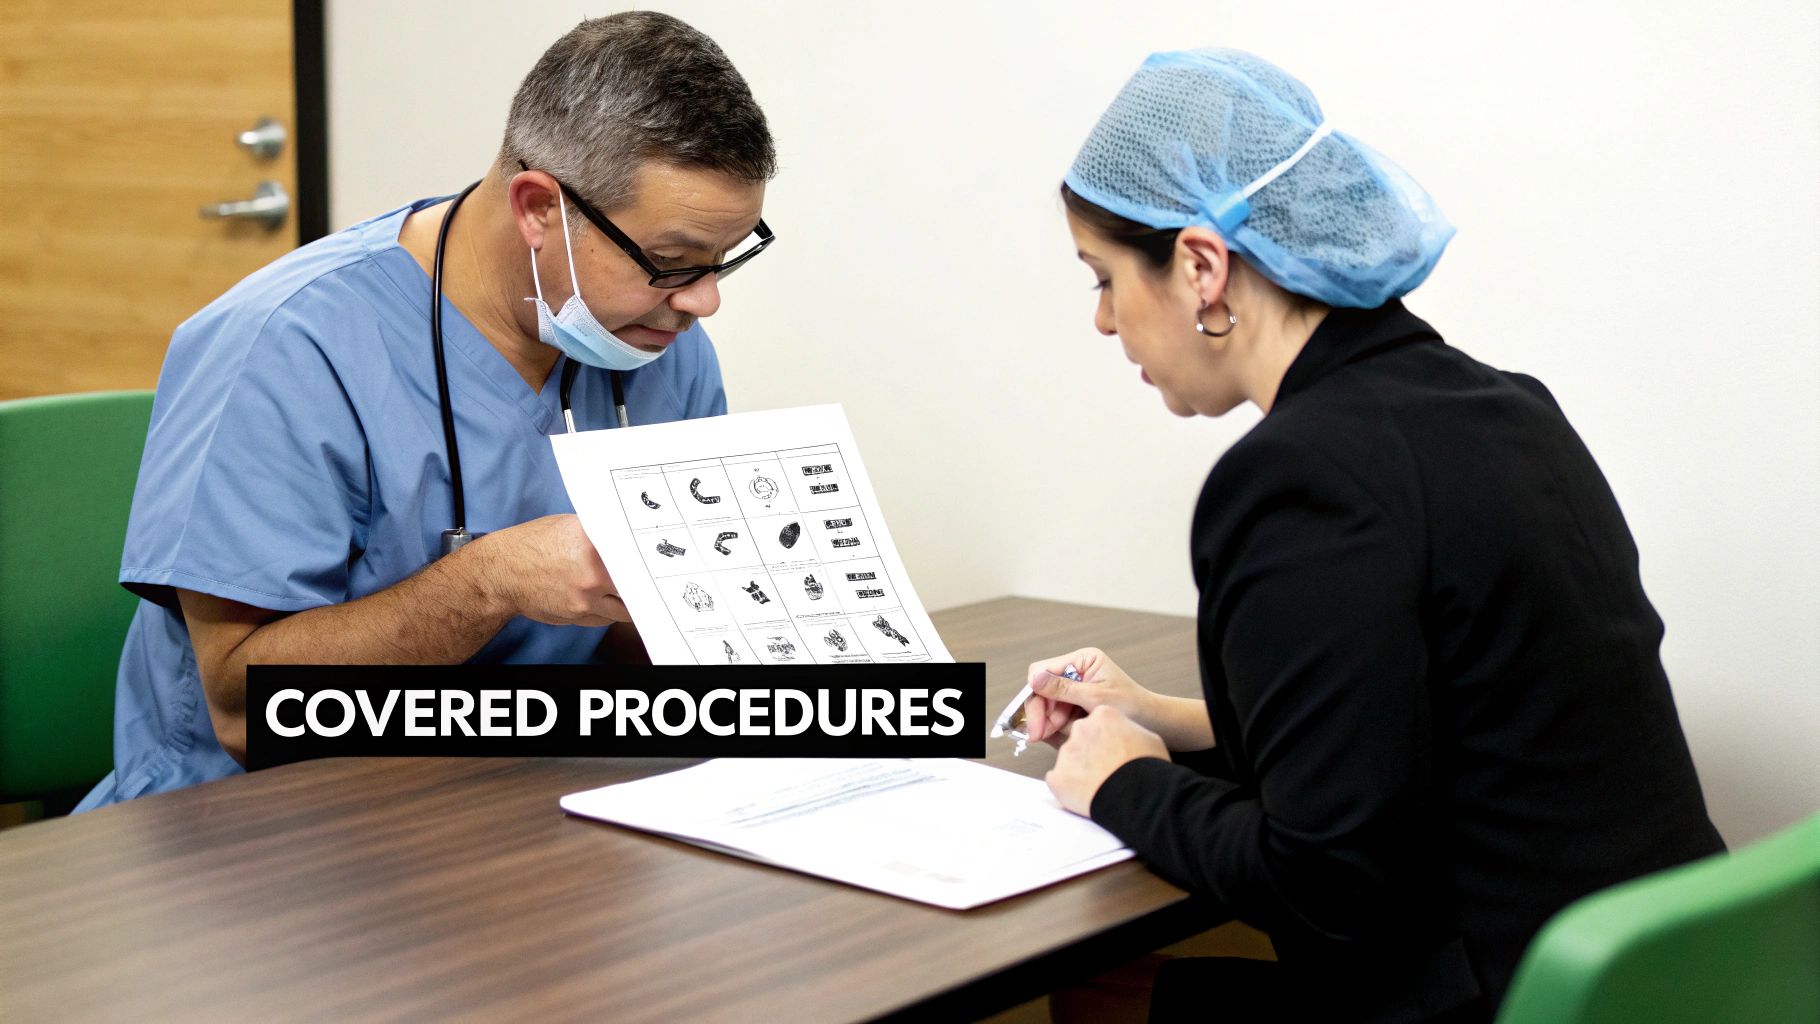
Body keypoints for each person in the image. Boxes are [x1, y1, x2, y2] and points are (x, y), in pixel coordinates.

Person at [1022, 49, 1724, 1022]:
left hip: (1496, 995)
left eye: (1101, 279)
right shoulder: (1503, 409)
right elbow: (1426, 725)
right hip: (1656, 984)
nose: (1102, 321)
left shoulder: (1300, 477)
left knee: (1115, 990)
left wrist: (1122, 783)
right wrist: (1158, 717)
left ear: (1198, 265)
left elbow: (1325, 883)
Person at [76, 12, 776, 809]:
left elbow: (647, 648)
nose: (704, 300)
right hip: (261, 832)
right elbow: (242, 711)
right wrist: (487, 583)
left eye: (723, 262)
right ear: (538, 207)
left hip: (524, 804)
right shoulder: (287, 346)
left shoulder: (658, 344)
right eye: (672, 262)